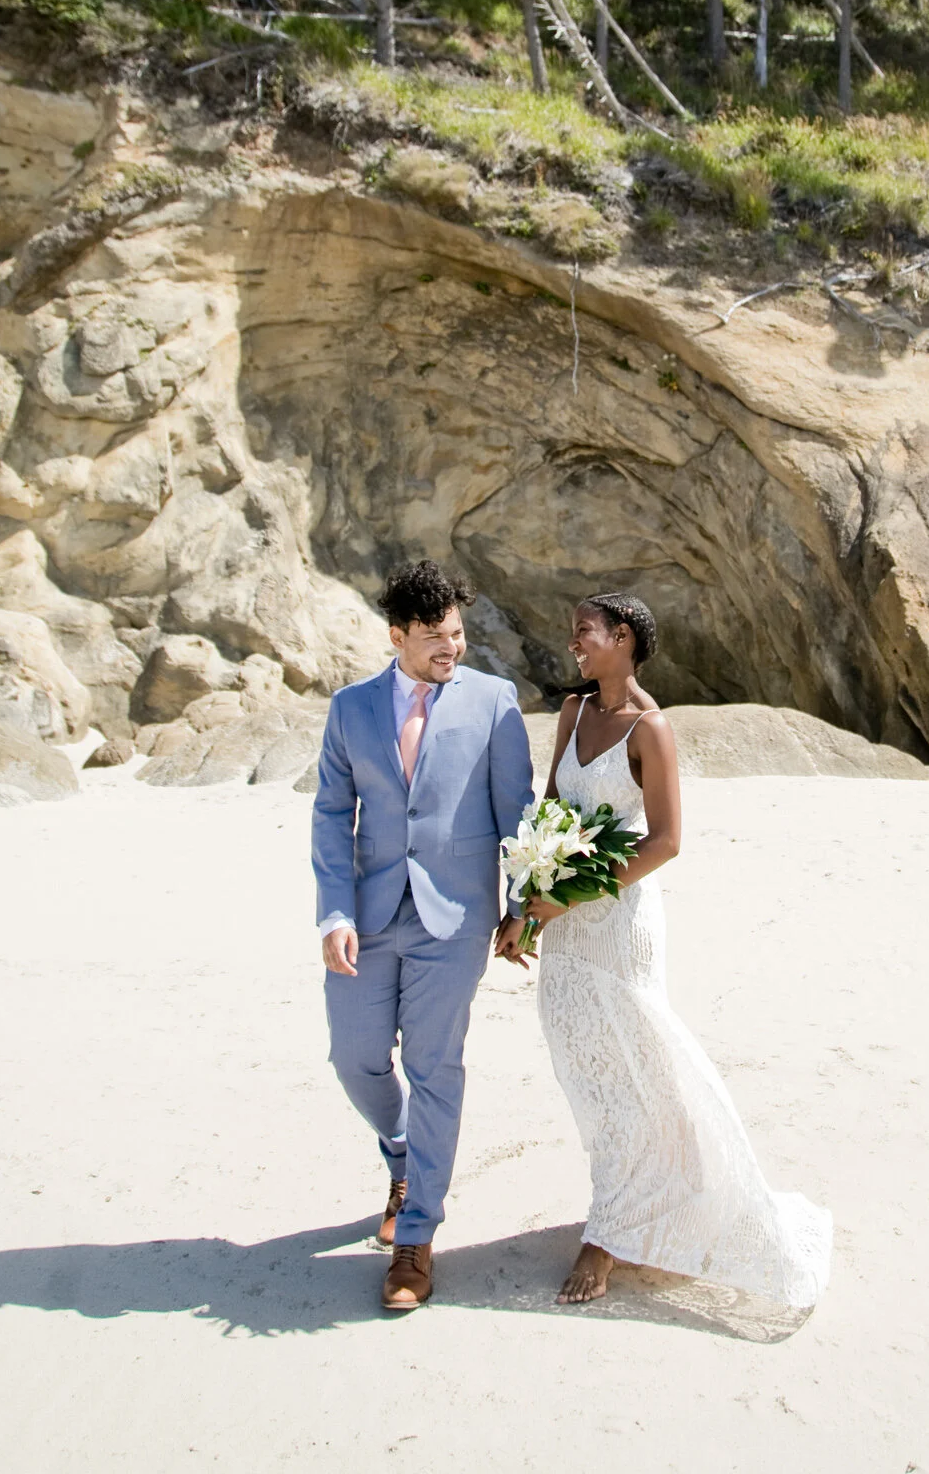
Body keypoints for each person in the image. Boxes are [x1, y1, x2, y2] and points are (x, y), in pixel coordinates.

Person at [496, 592, 831, 1310]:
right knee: (587, 1072)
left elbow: (666, 842)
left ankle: (609, 1231)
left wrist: (571, 897)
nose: (573, 645)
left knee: (640, 1065)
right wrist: (527, 904)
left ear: (622, 638)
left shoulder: (651, 729)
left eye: (583, 633)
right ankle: (646, 1193)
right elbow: (550, 808)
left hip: (619, 924)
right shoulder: (573, 712)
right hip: (563, 919)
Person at [312, 558, 532, 1312]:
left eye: (458, 634)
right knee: (355, 1057)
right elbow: (330, 818)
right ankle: (400, 1151)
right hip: (369, 916)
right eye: (435, 637)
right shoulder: (350, 708)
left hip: (456, 919)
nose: (452, 649)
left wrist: (520, 907)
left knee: (436, 1065)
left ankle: (416, 1234)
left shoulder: (495, 702)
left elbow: (517, 815)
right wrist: (334, 913)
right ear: (398, 636)